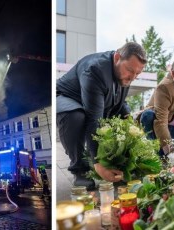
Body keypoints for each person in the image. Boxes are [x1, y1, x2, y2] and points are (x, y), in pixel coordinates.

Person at [56, 42, 147, 190]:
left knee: (124, 120)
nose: (133, 77)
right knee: (76, 116)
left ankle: (115, 165)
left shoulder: (126, 72)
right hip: (66, 98)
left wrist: (132, 127)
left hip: (94, 103)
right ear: (117, 57)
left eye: (137, 74)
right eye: (130, 71)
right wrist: (98, 164)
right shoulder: (95, 70)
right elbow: (94, 120)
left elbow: (119, 104)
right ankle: (80, 170)